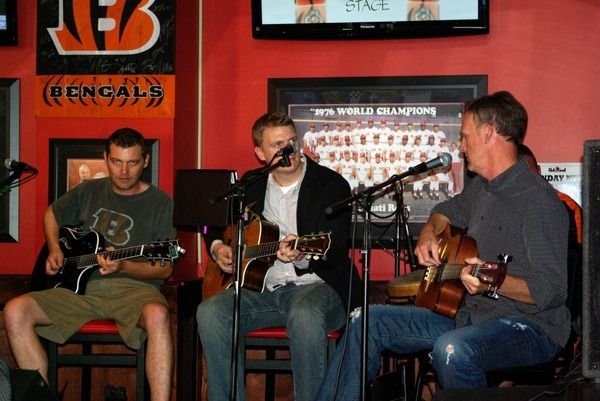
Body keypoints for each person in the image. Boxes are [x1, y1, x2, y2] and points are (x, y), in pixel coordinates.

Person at [314, 91, 570, 401]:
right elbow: (447, 209)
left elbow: (552, 289)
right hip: (472, 317)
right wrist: (429, 232)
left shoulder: (538, 201)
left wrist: (493, 280)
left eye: (465, 136)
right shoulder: (482, 189)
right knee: (365, 320)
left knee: (452, 349)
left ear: (487, 132)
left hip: (531, 327)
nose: (460, 147)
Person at [197, 112, 362, 401]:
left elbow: (335, 248)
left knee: (304, 315)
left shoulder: (330, 184)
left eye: (291, 142)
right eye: (277, 145)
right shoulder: (250, 184)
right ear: (260, 153)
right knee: (210, 312)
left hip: (318, 288)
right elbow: (207, 220)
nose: (288, 150)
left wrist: (301, 253)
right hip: (262, 290)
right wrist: (217, 247)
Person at [3, 128, 176, 401]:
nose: (124, 171)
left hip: (134, 291)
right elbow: (51, 214)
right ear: (105, 158)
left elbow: (165, 269)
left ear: (146, 161)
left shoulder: (161, 203)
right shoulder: (88, 191)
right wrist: (55, 249)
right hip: (80, 291)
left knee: (159, 315)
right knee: (15, 311)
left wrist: (124, 267)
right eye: (116, 161)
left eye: (132, 162)